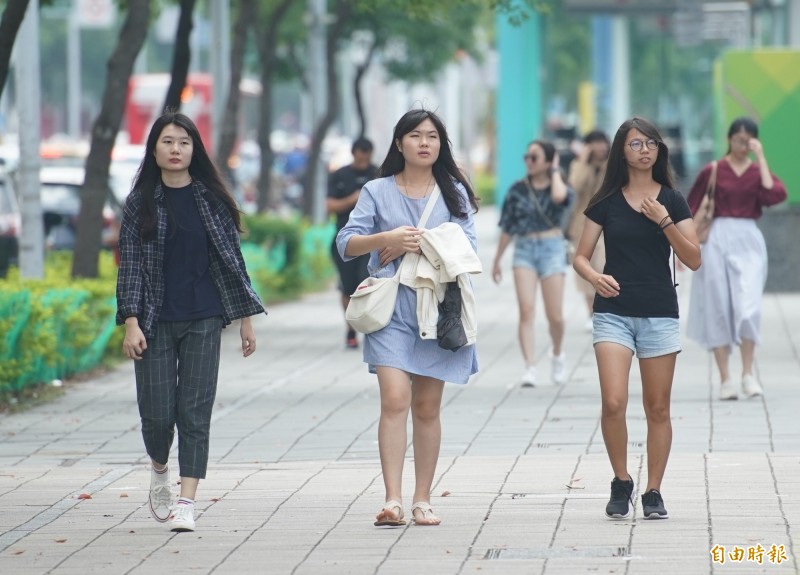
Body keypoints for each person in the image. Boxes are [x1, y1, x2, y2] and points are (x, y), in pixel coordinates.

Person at [116, 111, 266, 533]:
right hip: (154, 319)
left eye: (184, 142)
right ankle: (160, 466)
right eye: (168, 141)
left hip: (204, 316)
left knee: (194, 412)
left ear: (194, 148)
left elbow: (232, 261)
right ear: (155, 149)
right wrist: (130, 320)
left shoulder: (211, 199)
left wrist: (246, 319)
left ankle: (187, 502)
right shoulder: (140, 203)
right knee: (158, 415)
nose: (176, 149)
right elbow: (128, 267)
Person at [336, 109, 480, 527]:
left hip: (437, 311)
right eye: (415, 135)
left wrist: (411, 244)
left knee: (427, 406)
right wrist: (387, 239)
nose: (424, 143)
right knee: (394, 399)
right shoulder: (377, 190)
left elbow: (468, 246)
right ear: (399, 143)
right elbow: (346, 243)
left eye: (432, 136)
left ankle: (422, 499)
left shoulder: (453, 191)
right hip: (390, 311)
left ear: (441, 145)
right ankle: (392, 499)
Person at [573, 117, 701, 520]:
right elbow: (579, 255)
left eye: (650, 143)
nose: (644, 150)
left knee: (657, 407)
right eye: (635, 144)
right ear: (621, 151)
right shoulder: (606, 201)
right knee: (613, 402)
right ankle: (621, 479)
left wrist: (663, 220)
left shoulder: (674, 200)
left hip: (660, 311)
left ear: (659, 150)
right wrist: (595, 276)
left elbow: (694, 259)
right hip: (613, 311)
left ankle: (653, 491)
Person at [686, 117, 787, 401]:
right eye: (737, 139)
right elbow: (690, 206)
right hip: (717, 237)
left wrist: (761, 156)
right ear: (729, 139)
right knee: (718, 304)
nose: (742, 145)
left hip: (748, 240)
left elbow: (775, 194)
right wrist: (683, 247)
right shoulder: (714, 170)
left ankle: (747, 372)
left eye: (748, 140)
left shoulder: (757, 172)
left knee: (749, 306)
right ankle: (725, 378)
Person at [492, 139, 574, 387]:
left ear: (549, 162)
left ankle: (557, 354)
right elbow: (507, 227)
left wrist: (556, 170)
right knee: (526, 310)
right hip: (524, 250)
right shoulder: (517, 190)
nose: (528, 161)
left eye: (535, 157)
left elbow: (561, 197)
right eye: (526, 157)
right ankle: (529, 366)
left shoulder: (560, 187)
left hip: (552, 249)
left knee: (555, 316)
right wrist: (497, 259)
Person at [326, 137, 379, 348]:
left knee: (366, 285)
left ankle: (367, 325)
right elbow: (329, 205)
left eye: (367, 156)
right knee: (347, 287)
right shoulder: (340, 175)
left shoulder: (378, 174)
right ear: (354, 153)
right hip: (344, 240)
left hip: (371, 240)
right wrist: (354, 199)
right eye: (361, 155)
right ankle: (350, 329)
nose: (364, 160)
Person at [568, 130, 610, 332]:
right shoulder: (578, 166)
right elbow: (574, 187)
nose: (599, 147)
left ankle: (601, 310)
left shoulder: (612, 166)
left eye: (602, 142)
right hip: (581, 226)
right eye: (594, 143)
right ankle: (590, 313)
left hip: (606, 225)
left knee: (602, 265)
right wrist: (584, 163)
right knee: (584, 270)